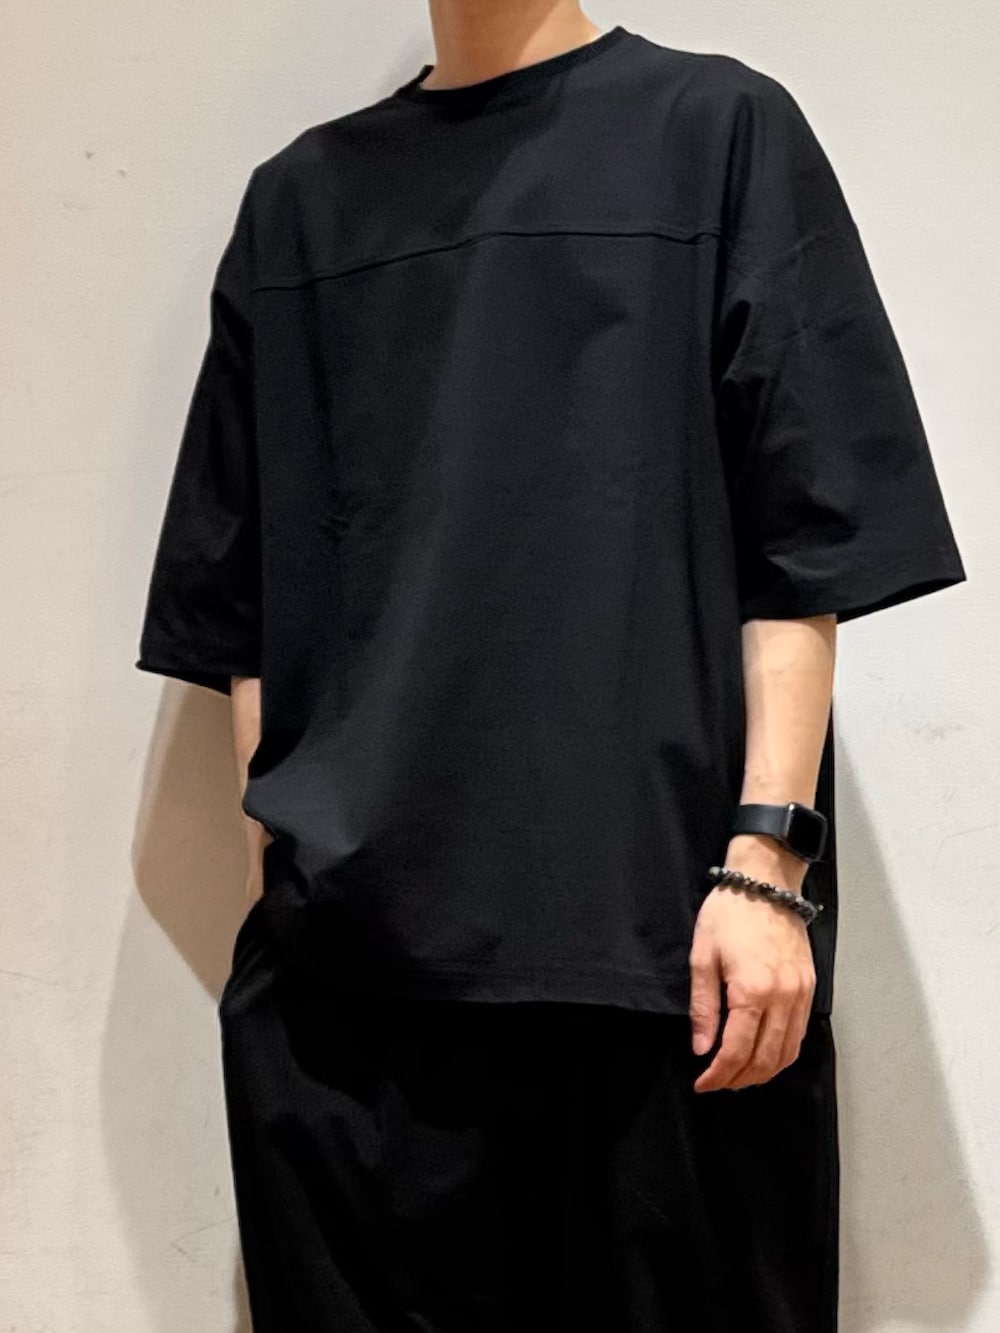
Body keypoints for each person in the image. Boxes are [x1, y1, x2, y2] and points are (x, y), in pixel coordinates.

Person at [135, 7, 967, 1330]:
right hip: (353, 1011)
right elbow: (245, 611)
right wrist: (277, 916)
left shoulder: (715, 133)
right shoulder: (298, 203)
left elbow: (804, 540)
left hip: (665, 975)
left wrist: (768, 863)